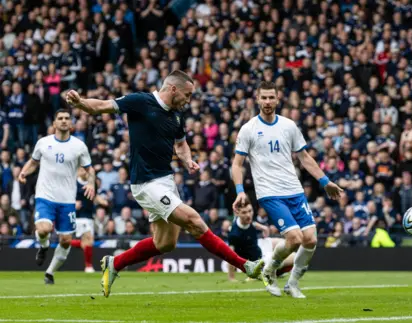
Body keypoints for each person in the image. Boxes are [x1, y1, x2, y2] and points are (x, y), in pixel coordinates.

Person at [65, 69, 264, 298]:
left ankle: (115, 263)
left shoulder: (177, 116)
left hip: (166, 181)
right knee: (194, 221)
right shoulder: (141, 101)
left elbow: (181, 145)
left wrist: (188, 160)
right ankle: (245, 265)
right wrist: (80, 103)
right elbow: (101, 106)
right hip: (146, 183)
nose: (188, 101)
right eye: (187, 95)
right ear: (173, 89)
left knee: (166, 243)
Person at [231, 81, 343, 298]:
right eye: (263, 97)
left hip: (294, 190)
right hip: (270, 193)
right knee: (294, 238)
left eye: (271, 97)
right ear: (257, 98)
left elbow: (304, 158)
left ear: (277, 98)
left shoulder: (289, 126)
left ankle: (292, 283)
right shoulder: (248, 129)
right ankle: (269, 270)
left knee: (310, 238)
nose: (267, 102)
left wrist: (325, 181)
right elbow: (237, 164)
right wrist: (240, 190)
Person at [18, 109, 96, 284]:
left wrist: (90, 183)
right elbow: (33, 162)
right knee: (44, 229)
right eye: (60, 118)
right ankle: (44, 246)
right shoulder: (43, 143)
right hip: (45, 195)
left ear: (71, 123)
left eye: (67, 118)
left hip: (67, 200)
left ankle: (50, 273)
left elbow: (90, 169)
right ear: (54, 123)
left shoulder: (79, 146)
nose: (63, 121)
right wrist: (24, 172)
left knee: (66, 240)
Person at [227, 204, 294, 282]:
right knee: (295, 257)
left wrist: (264, 228)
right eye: (244, 212)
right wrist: (231, 277)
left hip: (260, 246)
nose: (248, 215)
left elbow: (254, 224)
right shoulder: (234, 234)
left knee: (288, 243)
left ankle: (277, 271)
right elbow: (230, 255)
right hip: (258, 261)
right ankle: (276, 270)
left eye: (250, 211)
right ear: (237, 213)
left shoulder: (248, 221)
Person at [70, 167, 109, 273]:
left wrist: (102, 201)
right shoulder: (73, 183)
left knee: (88, 242)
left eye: (85, 169)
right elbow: (65, 197)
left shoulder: (92, 183)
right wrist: (73, 204)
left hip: (89, 216)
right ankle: (88, 265)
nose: (84, 171)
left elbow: (94, 196)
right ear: (77, 170)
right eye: (81, 168)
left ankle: (67, 243)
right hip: (77, 216)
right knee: (88, 241)